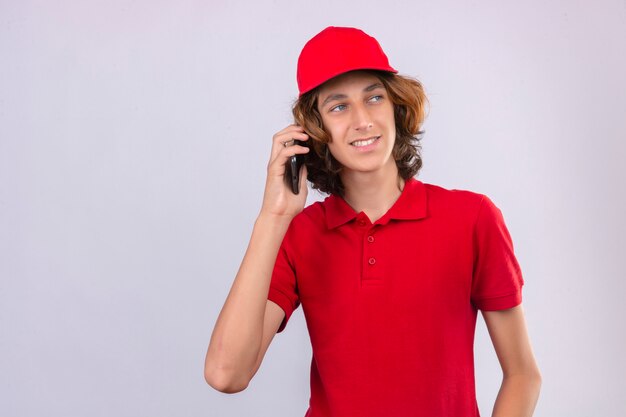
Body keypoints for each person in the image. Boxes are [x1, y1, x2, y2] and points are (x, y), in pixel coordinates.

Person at [204, 26, 542, 417]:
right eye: (338, 106)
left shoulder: (472, 218)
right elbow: (226, 374)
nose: (363, 120)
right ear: (313, 132)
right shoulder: (298, 235)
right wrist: (273, 216)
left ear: (396, 106)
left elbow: (523, 374)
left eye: (374, 97)